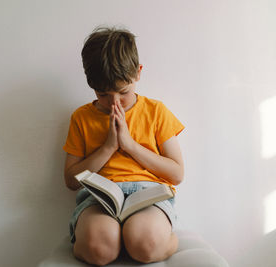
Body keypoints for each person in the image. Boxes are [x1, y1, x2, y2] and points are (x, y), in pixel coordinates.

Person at [63, 26, 185, 266]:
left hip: (149, 196)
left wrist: (129, 145)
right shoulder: (81, 117)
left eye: (123, 92)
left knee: (145, 243)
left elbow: (177, 174)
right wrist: (108, 147)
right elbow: (70, 180)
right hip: (99, 197)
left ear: (138, 74)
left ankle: (169, 241)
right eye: (103, 94)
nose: (113, 103)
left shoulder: (156, 112)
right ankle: (103, 242)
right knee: (99, 248)